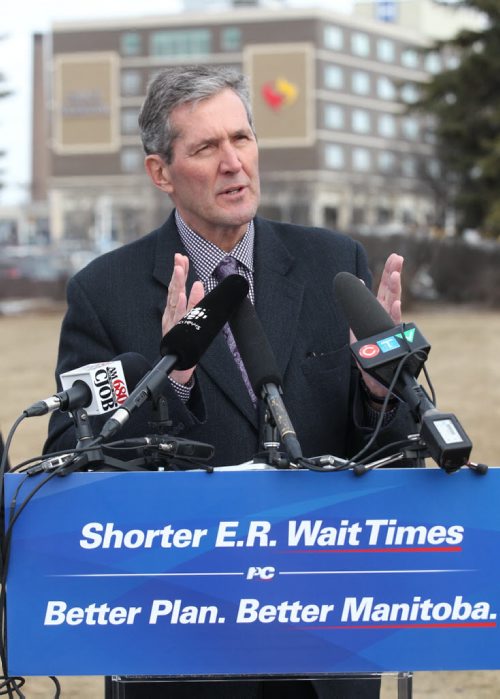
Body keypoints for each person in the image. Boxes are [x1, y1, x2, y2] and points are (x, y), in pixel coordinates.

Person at [45, 65, 415, 698]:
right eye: (206, 148)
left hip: (326, 641)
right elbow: (70, 464)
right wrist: (172, 384)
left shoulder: (337, 264)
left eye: (241, 139)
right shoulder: (104, 293)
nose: (233, 163)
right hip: (182, 645)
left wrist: (383, 390)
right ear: (160, 172)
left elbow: (391, 450)